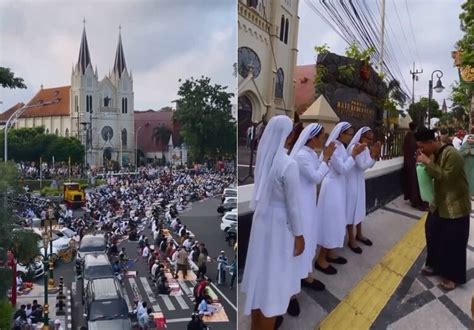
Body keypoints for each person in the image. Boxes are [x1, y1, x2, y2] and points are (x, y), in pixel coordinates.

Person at [241, 115, 305, 330]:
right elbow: (294, 206)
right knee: (274, 285)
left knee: (260, 280)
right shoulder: (288, 164)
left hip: (262, 222)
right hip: (279, 225)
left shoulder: (265, 161)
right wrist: (300, 235)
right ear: (287, 136)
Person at [415, 129, 471, 291]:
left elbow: (446, 177)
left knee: (452, 242)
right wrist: (423, 163)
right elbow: (430, 175)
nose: (421, 150)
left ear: (431, 142)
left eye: (422, 146)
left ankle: (452, 277)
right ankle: (434, 265)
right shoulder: (434, 154)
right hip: (439, 203)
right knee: (432, 232)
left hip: (455, 206)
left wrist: (426, 162)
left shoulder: (452, 154)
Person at [315, 122, 366, 275]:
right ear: (340, 133)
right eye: (348, 133)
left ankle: (330, 252)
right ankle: (320, 259)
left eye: (351, 134)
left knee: (337, 221)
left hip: (339, 187)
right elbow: (342, 169)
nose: (350, 136)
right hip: (332, 188)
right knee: (330, 222)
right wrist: (354, 155)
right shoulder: (334, 147)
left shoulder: (342, 146)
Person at [290, 123, 334, 293]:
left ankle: (305, 274)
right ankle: (295, 281)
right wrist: (325, 159)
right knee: (302, 241)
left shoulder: (310, 154)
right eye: (322, 136)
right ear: (312, 138)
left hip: (309, 202)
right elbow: (316, 177)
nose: (323, 139)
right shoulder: (301, 156)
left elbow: (319, 171)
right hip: (302, 205)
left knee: (309, 238)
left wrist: (324, 159)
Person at [346, 127, 381, 253]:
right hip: (351, 183)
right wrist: (372, 156)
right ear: (361, 136)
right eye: (368, 138)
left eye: (371, 139)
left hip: (359, 181)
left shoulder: (365, 148)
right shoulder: (355, 148)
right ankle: (351, 239)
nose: (370, 141)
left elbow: (369, 165)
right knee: (351, 210)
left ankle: (359, 234)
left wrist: (374, 156)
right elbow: (362, 166)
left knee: (359, 208)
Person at [402, 122, 427, 210]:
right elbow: (416, 148)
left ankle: (414, 200)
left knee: (412, 182)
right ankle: (416, 201)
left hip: (409, 162)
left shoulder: (408, 136)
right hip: (413, 162)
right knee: (415, 183)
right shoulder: (412, 137)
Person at [459, 134, 474, 201]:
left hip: (473, 167)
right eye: (469, 138)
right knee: (467, 180)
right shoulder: (464, 146)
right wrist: (467, 151)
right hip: (466, 167)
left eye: (472, 138)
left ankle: (472, 194)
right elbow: (459, 154)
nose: (470, 140)